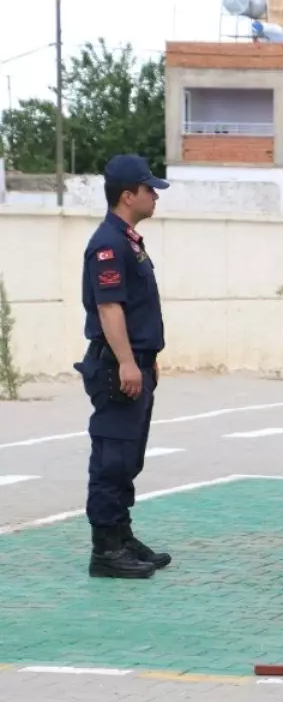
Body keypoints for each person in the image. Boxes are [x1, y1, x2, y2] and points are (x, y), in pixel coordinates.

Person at [74, 154, 172, 580]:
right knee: (112, 457)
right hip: (117, 367)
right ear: (127, 195)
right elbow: (110, 308)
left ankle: (121, 534)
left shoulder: (128, 239)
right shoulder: (109, 243)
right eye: (149, 189)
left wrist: (147, 361)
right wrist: (130, 362)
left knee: (128, 457)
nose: (155, 195)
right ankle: (106, 549)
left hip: (134, 365)